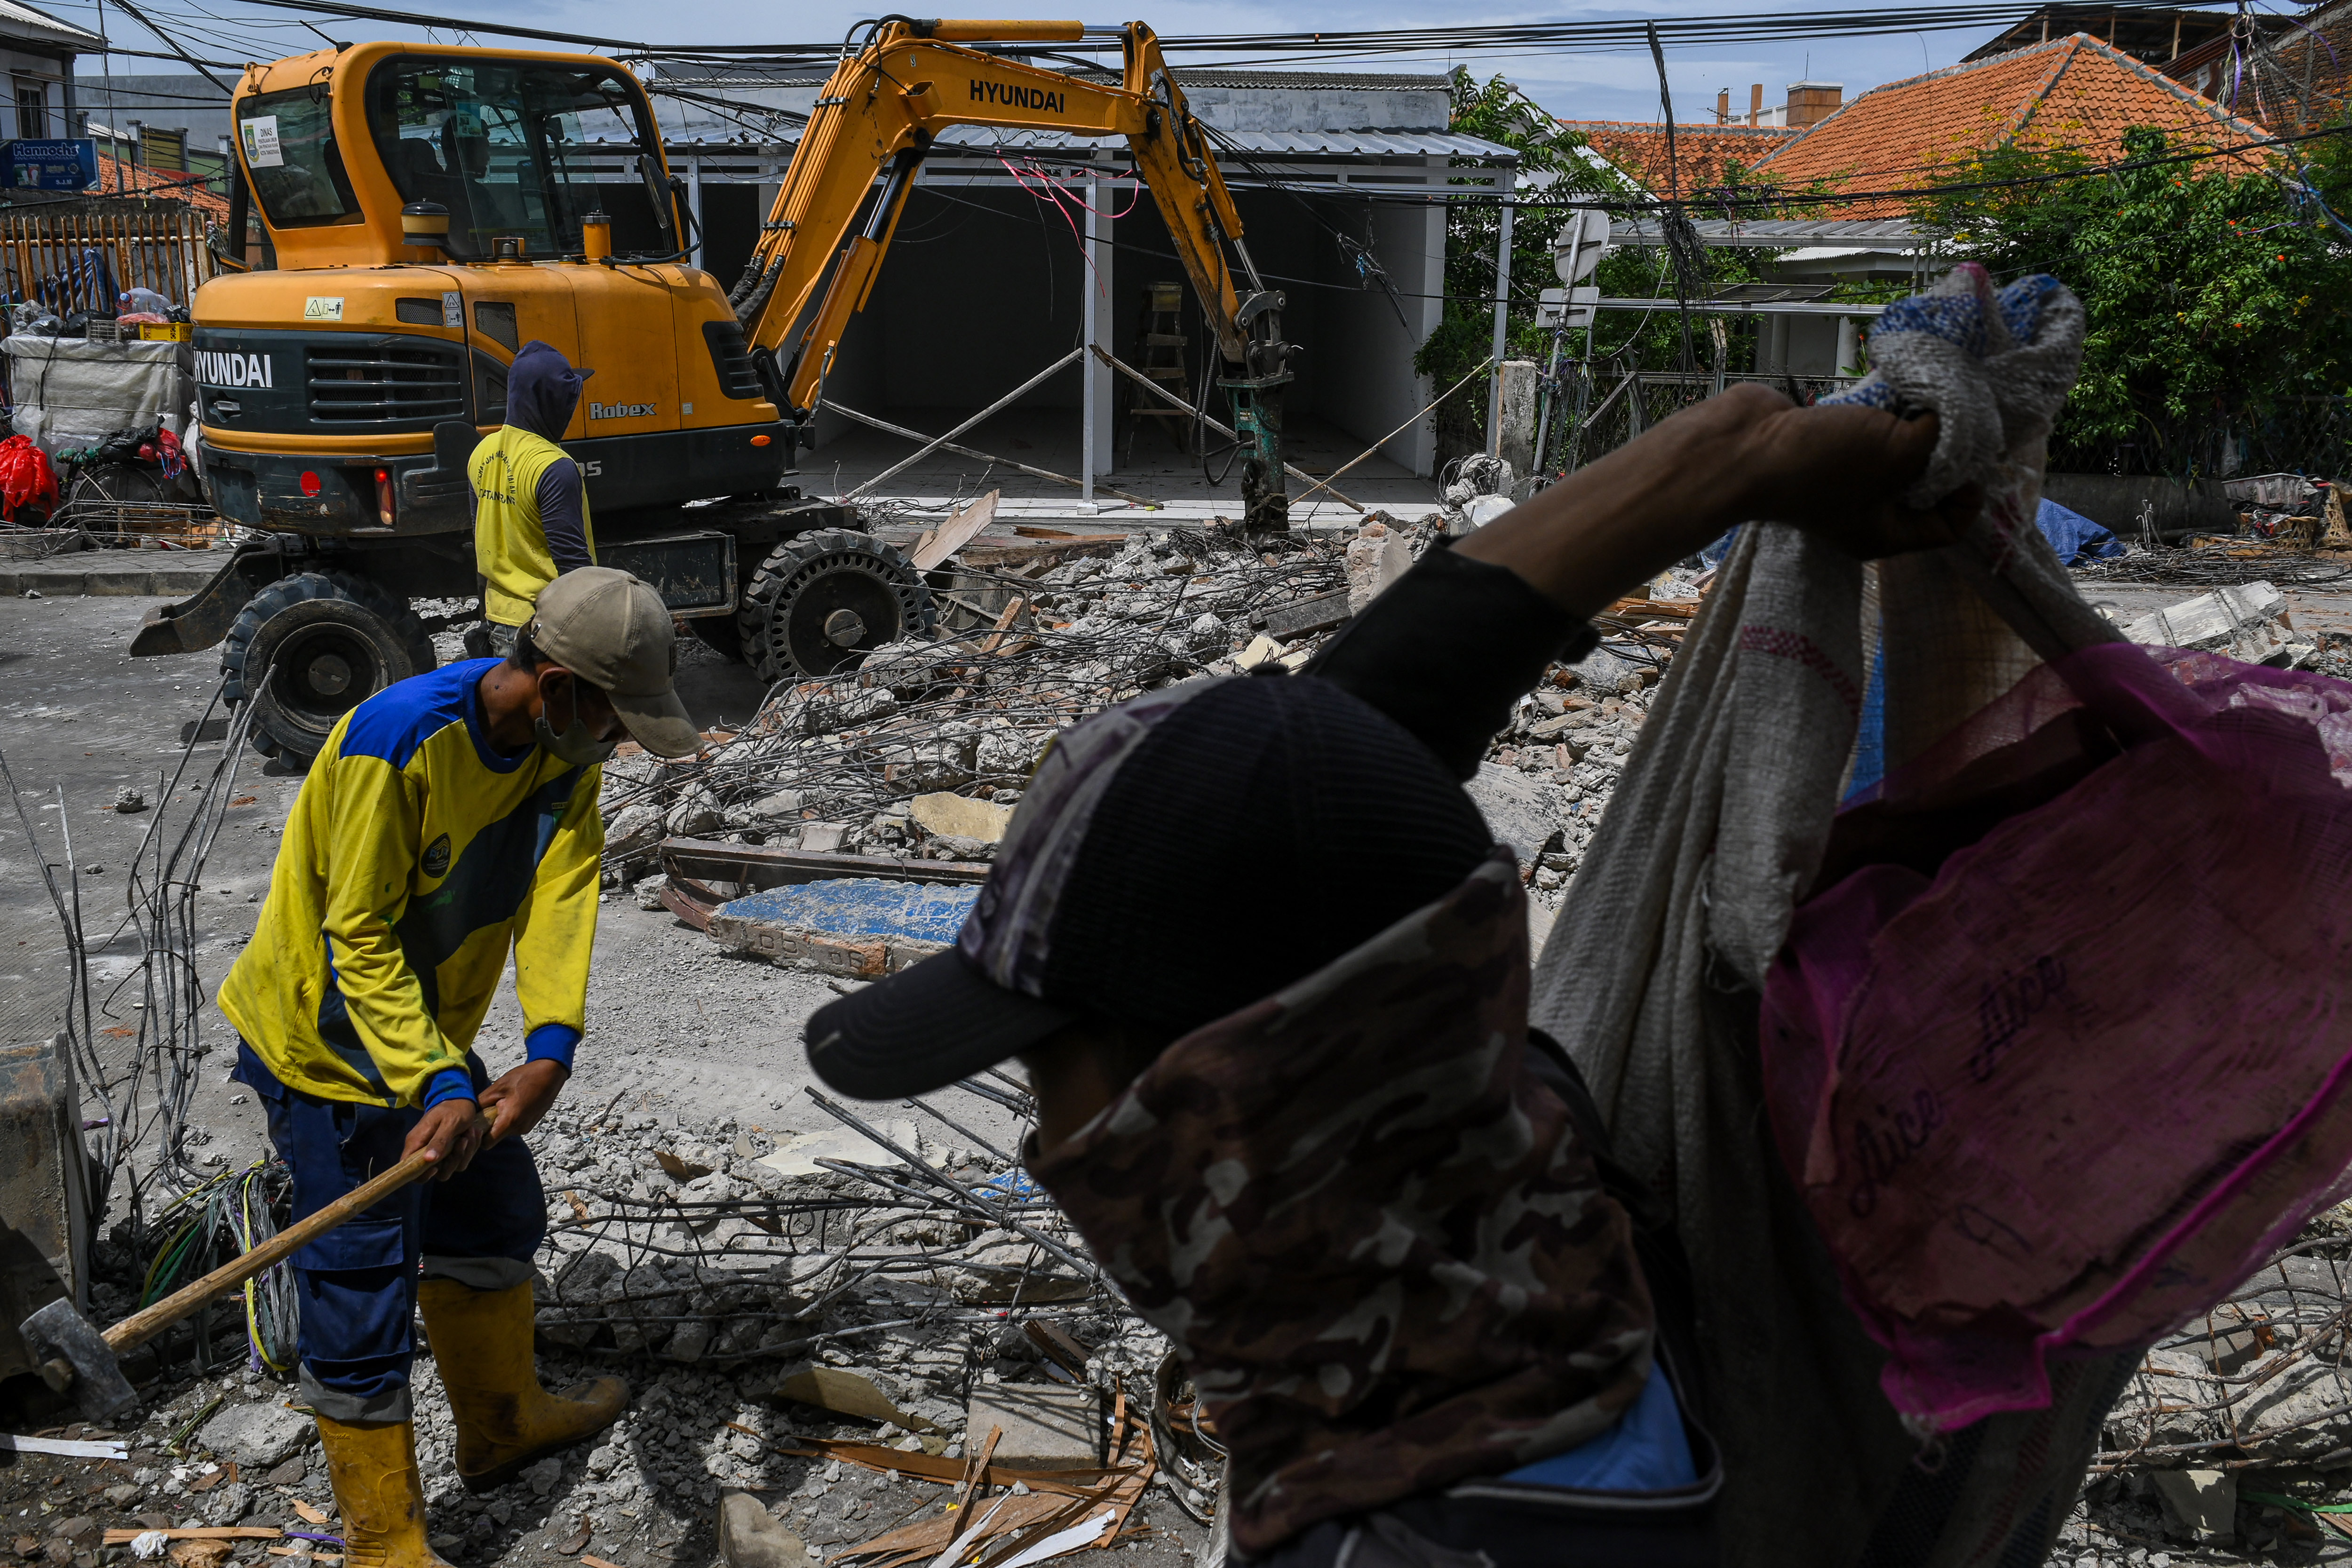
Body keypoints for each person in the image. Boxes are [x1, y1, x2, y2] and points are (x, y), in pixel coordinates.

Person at [795, 386, 1979, 1568]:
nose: (1046, 1152)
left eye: (1046, 1067)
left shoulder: (1410, 1540)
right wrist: (1735, 454)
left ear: (1228, 1101)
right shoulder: (1497, 1142)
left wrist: (1735, 460)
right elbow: (1351, 756)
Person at [219, 567, 702, 1568]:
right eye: (614, 713)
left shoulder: (566, 746)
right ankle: (383, 1540)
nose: (618, 737)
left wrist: (549, 1048)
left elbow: (565, 882)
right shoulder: (401, 741)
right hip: (332, 1037)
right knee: (356, 1277)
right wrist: (438, 1083)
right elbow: (357, 932)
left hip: (426, 1032)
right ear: (557, 680)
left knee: (491, 1212)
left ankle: (500, 1425)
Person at [471, 340, 595, 657]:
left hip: (500, 621)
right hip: (547, 630)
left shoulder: (481, 452)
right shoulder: (554, 467)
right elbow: (573, 566)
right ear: (551, 401)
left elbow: (481, 541)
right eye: (568, 400)